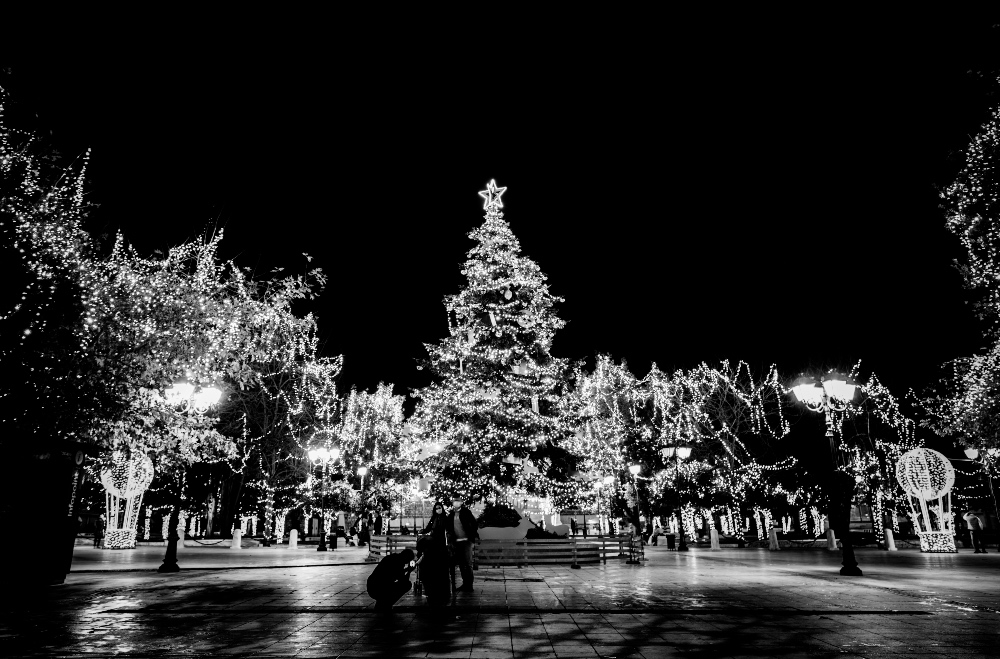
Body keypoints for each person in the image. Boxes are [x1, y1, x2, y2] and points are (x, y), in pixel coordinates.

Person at [420, 502, 452, 604]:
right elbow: (429, 528)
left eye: (439, 508)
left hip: (441, 543)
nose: (438, 509)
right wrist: (423, 532)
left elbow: (446, 531)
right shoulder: (434, 518)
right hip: (434, 542)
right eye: (437, 508)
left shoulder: (444, 519)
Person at [447, 497, 479, 592]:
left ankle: (469, 585)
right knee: (461, 564)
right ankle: (465, 584)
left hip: (467, 541)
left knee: (467, 563)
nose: (456, 503)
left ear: (461, 502)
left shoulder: (466, 512)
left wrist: (471, 535)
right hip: (457, 541)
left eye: (458, 501)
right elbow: (449, 527)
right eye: (454, 501)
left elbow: (474, 524)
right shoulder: (452, 514)